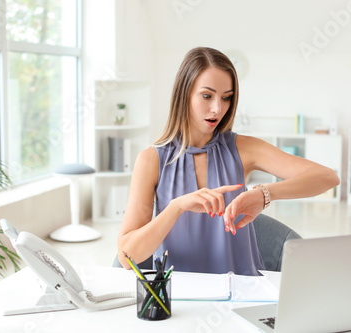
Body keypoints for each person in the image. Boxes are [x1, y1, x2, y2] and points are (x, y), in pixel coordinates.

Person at [117, 47, 339, 276]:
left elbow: (327, 177)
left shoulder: (242, 148)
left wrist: (264, 193)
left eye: (226, 98)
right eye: (207, 96)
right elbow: (127, 257)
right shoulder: (151, 160)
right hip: (179, 301)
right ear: (184, 94)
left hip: (241, 297)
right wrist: (176, 207)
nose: (218, 108)